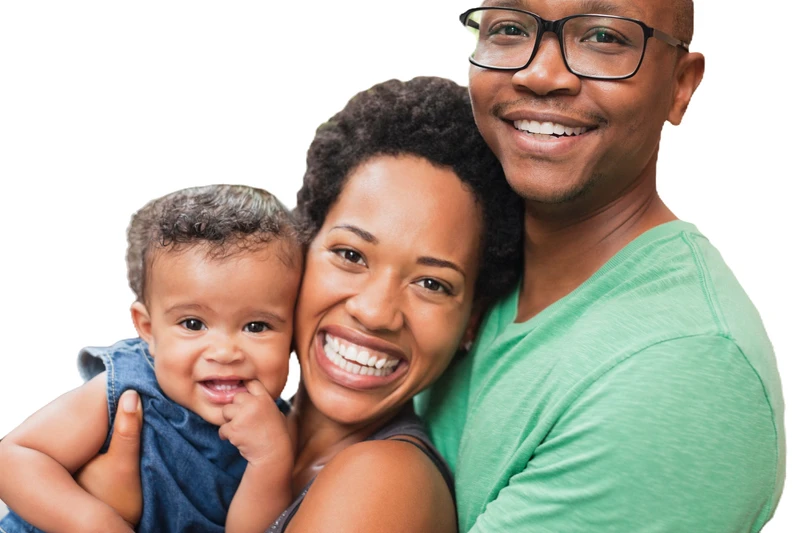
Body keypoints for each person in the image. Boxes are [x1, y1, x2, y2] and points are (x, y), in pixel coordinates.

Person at [17, 77, 524, 532]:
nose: (374, 311)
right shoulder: (216, 417)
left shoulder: (384, 481)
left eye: (432, 283)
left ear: (471, 321)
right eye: (350, 255)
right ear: (302, 254)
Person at [415, 1, 785, 531]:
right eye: (510, 28)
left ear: (680, 86)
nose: (540, 74)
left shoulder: (681, 371)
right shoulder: (464, 263)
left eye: (604, 38)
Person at [0, 185, 302, 533]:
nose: (224, 352)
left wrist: (269, 463)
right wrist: (96, 522)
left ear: (293, 336)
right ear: (148, 329)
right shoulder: (131, 388)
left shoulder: (277, 431)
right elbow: (14, 457)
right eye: (193, 324)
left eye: (256, 326)